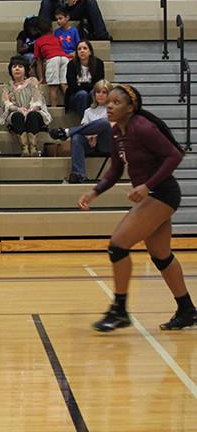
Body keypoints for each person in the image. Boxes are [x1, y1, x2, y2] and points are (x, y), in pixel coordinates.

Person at [79, 84, 192, 331]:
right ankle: (187, 309)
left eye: (116, 102)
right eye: (107, 101)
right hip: (153, 194)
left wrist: (146, 186)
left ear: (130, 108)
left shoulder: (142, 127)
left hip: (162, 194)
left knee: (117, 245)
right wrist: (95, 191)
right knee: (161, 256)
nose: (109, 105)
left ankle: (119, 311)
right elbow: (116, 170)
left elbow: (174, 155)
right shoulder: (117, 132)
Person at [51, 79, 112, 183]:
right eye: (98, 92)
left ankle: (67, 132)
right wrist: (89, 137)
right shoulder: (88, 111)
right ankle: (79, 174)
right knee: (77, 137)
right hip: (90, 144)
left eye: (104, 92)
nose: (101, 95)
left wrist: (96, 136)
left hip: (107, 143)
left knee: (105, 122)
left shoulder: (113, 109)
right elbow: (84, 128)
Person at [0, 55, 52, 157]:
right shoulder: (7, 86)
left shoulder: (33, 82)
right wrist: (18, 109)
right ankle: (24, 148)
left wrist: (29, 110)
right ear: (11, 70)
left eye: (20, 66)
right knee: (17, 116)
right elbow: (6, 103)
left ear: (26, 69)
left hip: (33, 111)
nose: (17, 69)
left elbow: (38, 100)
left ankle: (33, 148)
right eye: (14, 66)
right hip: (16, 112)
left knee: (32, 115)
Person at [33, 18, 70, 108]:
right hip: (64, 58)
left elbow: (38, 61)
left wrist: (41, 78)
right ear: (51, 29)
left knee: (53, 87)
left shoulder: (38, 41)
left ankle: (54, 108)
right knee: (64, 84)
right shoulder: (56, 38)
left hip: (52, 59)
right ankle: (69, 106)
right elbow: (60, 50)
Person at [65, 39, 105, 117]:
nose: (82, 51)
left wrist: (81, 85)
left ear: (90, 52)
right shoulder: (71, 65)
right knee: (83, 94)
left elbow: (98, 83)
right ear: (76, 52)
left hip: (91, 94)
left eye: (85, 48)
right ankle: (85, 122)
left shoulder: (98, 63)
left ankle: (94, 118)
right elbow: (72, 86)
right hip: (75, 96)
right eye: (79, 49)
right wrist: (87, 86)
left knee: (93, 92)